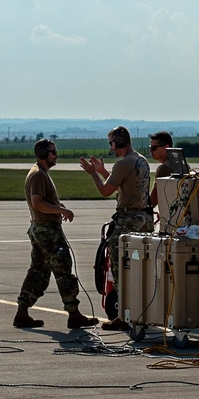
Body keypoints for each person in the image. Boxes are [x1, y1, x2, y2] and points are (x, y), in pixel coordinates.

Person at [14, 139, 99, 330]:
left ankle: (22, 312)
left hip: (40, 229)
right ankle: (74, 314)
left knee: (38, 271)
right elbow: (37, 202)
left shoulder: (40, 173)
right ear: (43, 154)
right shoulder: (38, 176)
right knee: (63, 270)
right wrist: (61, 211)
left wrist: (57, 206)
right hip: (47, 231)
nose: (56, 155)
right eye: (53, 152)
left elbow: (42, 201)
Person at [79, 126, 152, 330]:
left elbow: (105, 191)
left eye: (111, 142)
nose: (110, 146)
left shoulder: (122, 164)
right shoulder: (141, 160)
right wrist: (103, 171)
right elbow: (123, 185)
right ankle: (144, 310)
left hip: (128, 218)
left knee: (121, 265)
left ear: (117, 143)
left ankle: (123, 315)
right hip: (144, 218)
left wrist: (94, 174)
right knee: (142, 265)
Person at [148, 130, 175, 208]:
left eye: (154, 148)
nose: (151, 151)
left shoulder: (164, 168)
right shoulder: (181, 165)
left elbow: (152, 202)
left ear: (166, 148)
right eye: (150, 148)